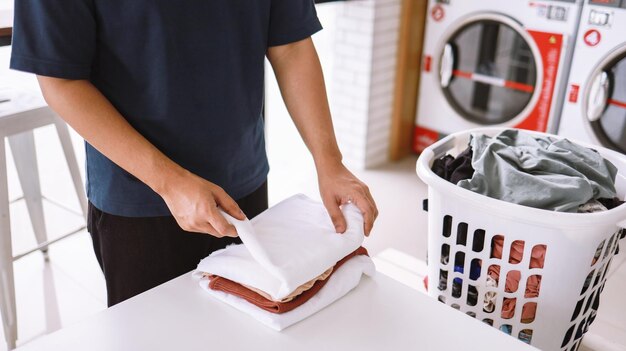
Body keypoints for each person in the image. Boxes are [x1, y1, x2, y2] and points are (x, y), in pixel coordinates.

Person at [10, 1, 378, 306]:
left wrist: (329, 161)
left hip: (243, 191)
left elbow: (290, 44)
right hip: (142, 201)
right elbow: (61, 80)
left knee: (247, 329)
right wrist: (169, 182)